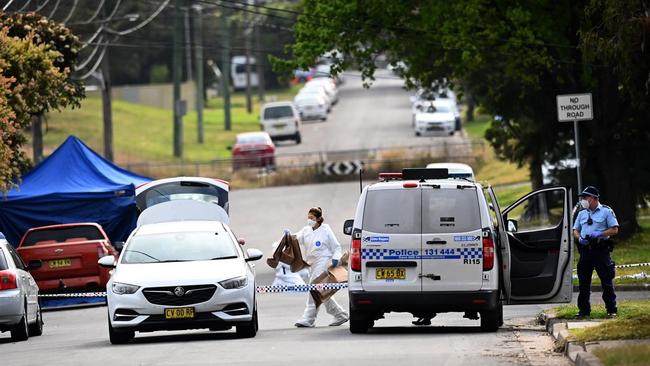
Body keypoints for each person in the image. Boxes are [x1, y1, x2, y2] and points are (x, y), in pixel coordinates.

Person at [291, 207, 349, 328]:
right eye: (308, 217)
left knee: (314, 289)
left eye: (311, 218)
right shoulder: (306, 230)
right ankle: (340, 314)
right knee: (322, 292)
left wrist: (335, 258)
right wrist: (288, 236)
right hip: (311, 263)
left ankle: (308, 318)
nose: (309, 220)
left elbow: (336, 247)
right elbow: (296, 237)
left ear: (318, 218)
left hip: (323, 261)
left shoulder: (326, 230)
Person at [573, 186, 619, 318]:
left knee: (606, 281)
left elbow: (615, 229)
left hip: (600, 251)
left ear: (593, 198)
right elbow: (575, 230)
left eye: (585, 197)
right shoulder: (582, 213)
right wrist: (580, 238)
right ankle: (584, 311)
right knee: (583, 283)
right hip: (586, 251)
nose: (583, 200)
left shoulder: (606, 211)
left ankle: (611, 309)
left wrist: (600, 233)